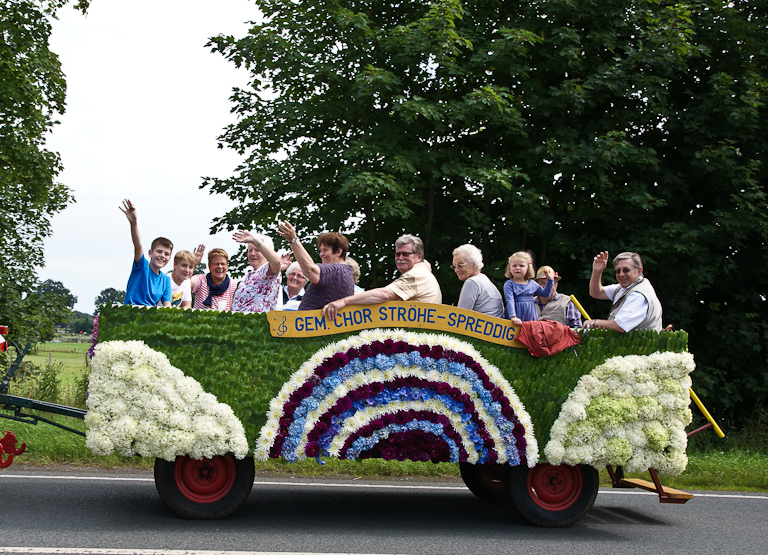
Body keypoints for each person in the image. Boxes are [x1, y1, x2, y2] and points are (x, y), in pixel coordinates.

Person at [321, 234, 441, 319]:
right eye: (397, 254)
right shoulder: (423, 272)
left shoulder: (416, 275)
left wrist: (344, 302)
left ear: (419, 256)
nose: (400, 258)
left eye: (405, 254)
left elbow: (385, 294)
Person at [277, 221, 355, 310]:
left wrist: (293, 240)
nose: (321, 254)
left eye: (325, 250)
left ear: (338, 252)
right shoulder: (347, 273)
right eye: (320, 250)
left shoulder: (335, 269)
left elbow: (309, 270)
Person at [586, 251, 663, 332]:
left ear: (639, 271)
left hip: (639, 344)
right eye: (618, 271)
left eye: (626, 270)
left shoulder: (638, 295)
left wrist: (593, 323)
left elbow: (620, 326)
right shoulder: (627, 287)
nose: (621, 274)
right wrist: (597, 271)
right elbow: (596, 293)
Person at [119, 199, 172, 307]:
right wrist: (133, 223)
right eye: (159, 252)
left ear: (169, 258)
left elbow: (167, 305)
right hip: (131, 311)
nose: (162, 256)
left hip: (149, 318)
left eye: (166, 254)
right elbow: (138, 245)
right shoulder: (142, 266)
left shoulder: (165, 280)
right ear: (150, 253)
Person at [230, 230, 285, 313]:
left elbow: (276, 263)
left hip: (257, 324)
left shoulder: (267, 270)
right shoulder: (250, 275)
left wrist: (255, 241)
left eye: (257, 250)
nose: (252, 254)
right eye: (250, 250)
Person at [452, 244, 504, 318]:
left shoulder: (472, 282)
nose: (456, 270)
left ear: (474, 264)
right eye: (454, 266)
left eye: (460, 265)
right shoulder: (485, 281)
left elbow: (461, 317)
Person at [503, 251, 554, 326]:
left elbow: (545, 294)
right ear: (509, 268)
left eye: (521, 266)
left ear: (528, 268)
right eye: (514, 266)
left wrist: (550, 280)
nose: (517, 268)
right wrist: (513, 317)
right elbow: (509, 300)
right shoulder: (509, 284)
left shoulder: (532, 283)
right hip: (516, 316)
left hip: (530, 316)